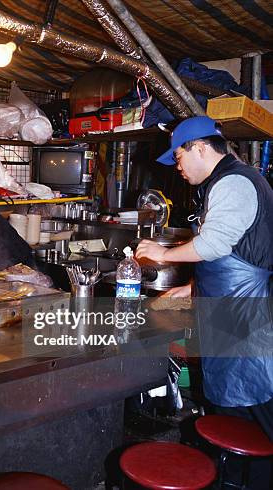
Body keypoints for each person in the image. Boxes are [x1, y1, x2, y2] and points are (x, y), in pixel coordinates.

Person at [136, 116, 273, 486]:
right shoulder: (224, 183)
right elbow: (234, 256)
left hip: (245, 324)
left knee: (250, 417)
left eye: (179, 156)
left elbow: (215, 244)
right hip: (231, 314)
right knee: (233, 413)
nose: (177, 166)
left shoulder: (234, 182)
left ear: (199, 148)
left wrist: (161, 254)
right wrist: (192, 290)